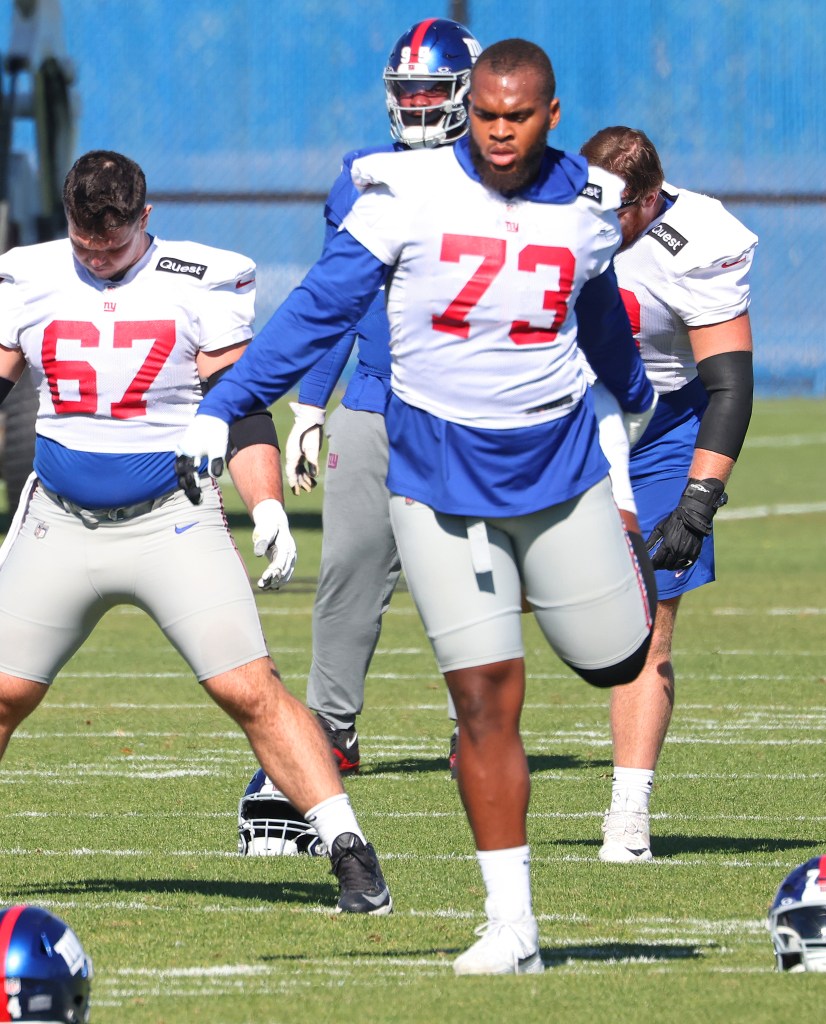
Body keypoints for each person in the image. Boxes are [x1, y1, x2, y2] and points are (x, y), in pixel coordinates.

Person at [180, 39, 657, 975]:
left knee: (617, 658)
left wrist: (633, 392)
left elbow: (597, 313)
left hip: (557, 472)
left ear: (550, 116)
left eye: (515, 117)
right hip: (435, 478)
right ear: (464, 110)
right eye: (482, 114)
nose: (497, 132)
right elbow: (320, 308)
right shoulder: (397, 192)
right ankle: (511, 924)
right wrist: (227, 405)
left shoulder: (595, 206)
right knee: (484, 702)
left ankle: (608, 605)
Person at [0, 150, 391, 915]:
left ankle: (349, 848)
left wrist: (267, 505)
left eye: (112, 246)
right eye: (85, 244)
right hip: (59, 519)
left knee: (248, 687)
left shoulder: (204, 276)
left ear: (146, 220)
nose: (98, 259)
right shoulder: (26, 271)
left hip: (170, 517)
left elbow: (240, 407)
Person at [285, 17, 482, 775]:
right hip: (372, 397)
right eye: (410, 91)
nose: (421, 104)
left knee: (470, 573)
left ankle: (479, 723)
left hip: (466, 406)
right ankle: (331, 727)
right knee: (349, 568)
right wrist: (308, 403)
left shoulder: (500, 177)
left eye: (434, 89)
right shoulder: (364, 173)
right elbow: (337, 298)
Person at [578, 126, 757, 862]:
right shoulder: (553, 203)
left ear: (648, 200)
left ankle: (628, 810)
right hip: (560, 415)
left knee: (648, 625)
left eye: (614, 209)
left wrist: (699, 500)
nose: (596, 220)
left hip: (661, 424)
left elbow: (729, 383)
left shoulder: (698, 241)